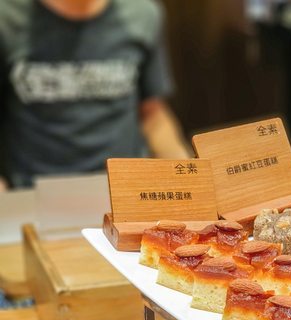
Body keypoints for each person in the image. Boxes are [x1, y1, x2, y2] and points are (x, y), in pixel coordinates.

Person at [0, 0, 190, 190]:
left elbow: (152, 115)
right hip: (34, 193)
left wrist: (189, 176)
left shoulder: (142, 15)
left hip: (125, 191)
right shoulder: (7, 17)